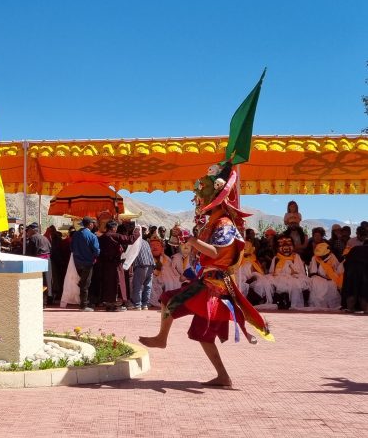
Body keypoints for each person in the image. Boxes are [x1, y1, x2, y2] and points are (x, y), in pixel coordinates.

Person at [140, 162, 273, 387]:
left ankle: (162, 339)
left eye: (200, 196)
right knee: (203, 334)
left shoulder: (223, 224)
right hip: (209, 280)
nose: (198, 201)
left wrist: (191, 240)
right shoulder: (214, 223)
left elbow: (215, 252)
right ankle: (223, 376)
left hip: (214, 284)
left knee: (169, 300)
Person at [98, 220, 132, 311]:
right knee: (117, 283)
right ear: (113, 228)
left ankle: (108, 304)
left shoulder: (101, 237)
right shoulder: (115, 236)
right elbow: (130, 240)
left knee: (107, 283)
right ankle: (115, 305)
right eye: (116, 227)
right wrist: (137, 233)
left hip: (105, 264)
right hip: (115, 264)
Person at [71, 217, 100, 312]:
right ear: (90, 224)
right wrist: (93, 257)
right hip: (88, 262)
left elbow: (71, 248)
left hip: (77, 262)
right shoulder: (92, 236)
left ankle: (83, 302)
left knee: (82, 282)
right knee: (85, 284)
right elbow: (96, 251)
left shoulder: (75, 234)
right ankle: (83, 305)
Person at [270, 236, 308, 309]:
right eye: (282, 246)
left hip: (295, 277)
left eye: (289, 246)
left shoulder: (296, 256)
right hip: (279, 278)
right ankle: (282, 301)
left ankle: (292, 303)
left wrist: (292, 273)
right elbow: (272, 272)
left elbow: (300, 271)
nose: (286, 249)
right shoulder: (276, 258)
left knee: (294, 283)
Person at [24, 223, 54, 305]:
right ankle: (48, 300)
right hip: (47, 261)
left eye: (28, 230)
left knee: (40, 281)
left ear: (32, 230)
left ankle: (42, 302)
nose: (27, 232)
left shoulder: (33, 238)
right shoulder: (44, 238)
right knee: (47, 281)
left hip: (38, 261)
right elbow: (50, 249)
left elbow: (29, 253)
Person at [307, 243, 343, 309]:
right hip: (317, 278)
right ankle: (319, 306)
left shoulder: (332, 257)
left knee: (332, 285)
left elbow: (337, 270)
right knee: (318, 284)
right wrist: (323, 277)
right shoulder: (314, 258)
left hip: (331, 279)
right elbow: (313, 273)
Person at [341, 227, 368, 313]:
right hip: (364, 272)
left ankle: (350, 308)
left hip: (351, 271)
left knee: (351, 288)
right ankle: (366, 309)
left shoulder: (355, 249)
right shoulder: (354, 244)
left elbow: (346, 260)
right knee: (364, 290)